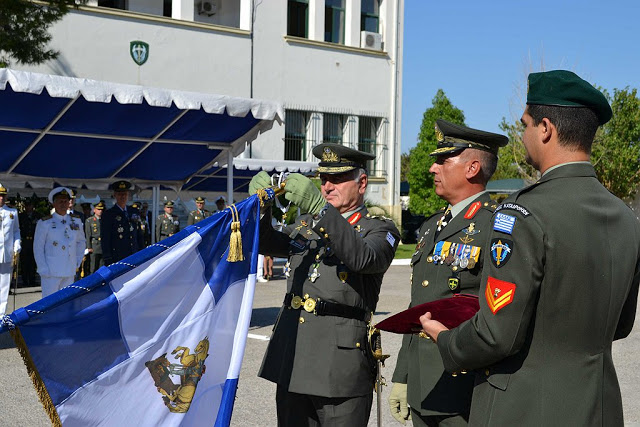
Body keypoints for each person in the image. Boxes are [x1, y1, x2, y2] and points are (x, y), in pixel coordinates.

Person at [419, 70, 640, 426]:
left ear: (546, 128)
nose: (521, 136)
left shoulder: (522, 212)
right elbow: (621, 324)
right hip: (599, 407)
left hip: (525, 408)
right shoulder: (626, 218)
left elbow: (495, 335)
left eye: (525, 124)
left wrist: (446, 340)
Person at [250, 143, 401, 427]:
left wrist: (321, 211)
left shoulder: (379, 229)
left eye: (338, 178)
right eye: (323, 179)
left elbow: (363, 258)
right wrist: (260, 208)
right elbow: (266, 242)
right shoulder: (307, 223)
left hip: (339, 368)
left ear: (362, 183)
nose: (328, 186)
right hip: (294, 359)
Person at [389, 120, 508, 426]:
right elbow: (419, 306)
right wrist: (403, 375)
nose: (433, 168)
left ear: (472, 168)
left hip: (463, 389)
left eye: (443, 160)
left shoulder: (495, 227)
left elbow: (501, 320)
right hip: (422, 387)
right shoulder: (431, 227)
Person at [34, 187, 85, 297]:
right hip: (51, 271)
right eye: (60, 201)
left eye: (66, 201)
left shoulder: (76, 220)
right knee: (49, 304)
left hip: (69, 269)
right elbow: (38, 247)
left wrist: (77, 261)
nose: (63, 204)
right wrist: (43, 268)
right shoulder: (45, 223)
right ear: (54, 203)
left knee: (66, 302)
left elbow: (81, 242)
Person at [101, 181, 141, 266]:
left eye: (125, 194)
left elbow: (139, 234)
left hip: (134, 254)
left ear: (128, 195)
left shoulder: (133, 211)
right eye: (120, 194)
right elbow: (105, 238)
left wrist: (142, 252)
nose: (122, 196)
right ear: (115, 195)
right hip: (118, 256)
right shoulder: (109, 214)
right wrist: (108, 258)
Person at [0, 184, 21, 315]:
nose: (1, 198)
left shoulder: (12, 212)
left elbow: (16, 230)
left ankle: (1, 315)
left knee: (4, 286)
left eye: (2, 196)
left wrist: (17, 244)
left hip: (6, 254)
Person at [18, 199, 40, 288]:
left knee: (33, 262)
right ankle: (24, 280)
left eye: (29, 205)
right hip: (24, 241)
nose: (28, 207)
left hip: (34, 241)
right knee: (24, 262)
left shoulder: (37, 216)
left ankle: (32, 279)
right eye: (26, 206)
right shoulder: (21, 216)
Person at [85, 201, 105, 274]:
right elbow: (88, 234)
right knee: (93, 267)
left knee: (102, 266)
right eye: (98, 209)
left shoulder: (104, 220)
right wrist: (89, 247)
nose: (100, 211)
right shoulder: (89, 221)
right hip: (94, 245)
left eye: (101, 209)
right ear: (94, 210)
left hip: (102, 245)